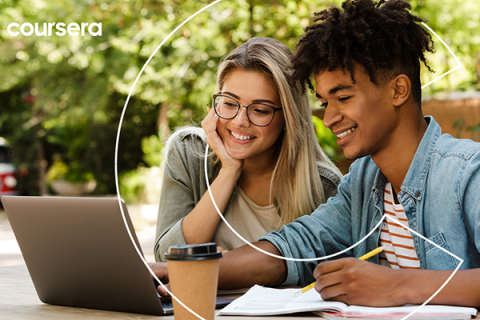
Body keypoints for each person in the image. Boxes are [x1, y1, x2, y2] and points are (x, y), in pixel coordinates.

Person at [150, 0, 480, 307]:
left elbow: (394, 286)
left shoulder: (467, 173)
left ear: (398, 90)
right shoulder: (363, 184)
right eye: (325, 102)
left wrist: (397, 285)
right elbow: (292, 248)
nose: (331, 117)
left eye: (344, 97)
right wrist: (185, 271)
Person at [153, 37, 342, 262]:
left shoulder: (323, 187)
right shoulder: (189, 152)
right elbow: (166, 259)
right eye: (230, 104)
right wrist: (229, 170)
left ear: (289, 118)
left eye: (260, 110)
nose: (240, 121)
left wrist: (228, 269)